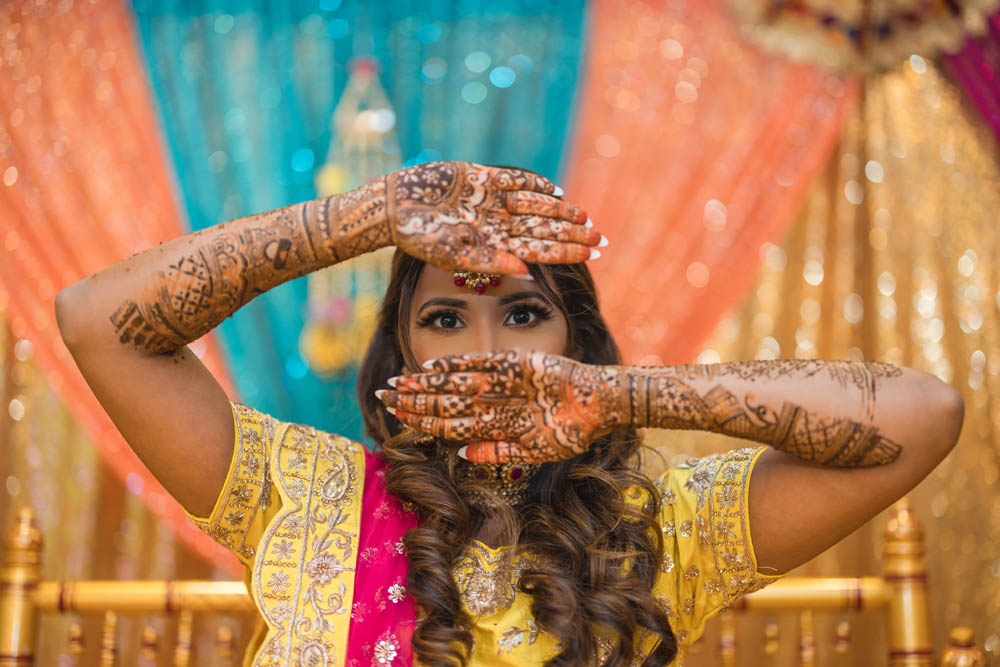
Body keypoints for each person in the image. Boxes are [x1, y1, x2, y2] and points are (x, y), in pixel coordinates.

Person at [54, 161, 964, 666]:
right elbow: (98, 321)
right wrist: (371, 215)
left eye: (524, 314)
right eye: (444, 318)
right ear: (400, 357)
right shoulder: (305, 495)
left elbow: (924, 415)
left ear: (578, 344)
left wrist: (628, 395)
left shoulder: (660, 529)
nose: (486, 345)